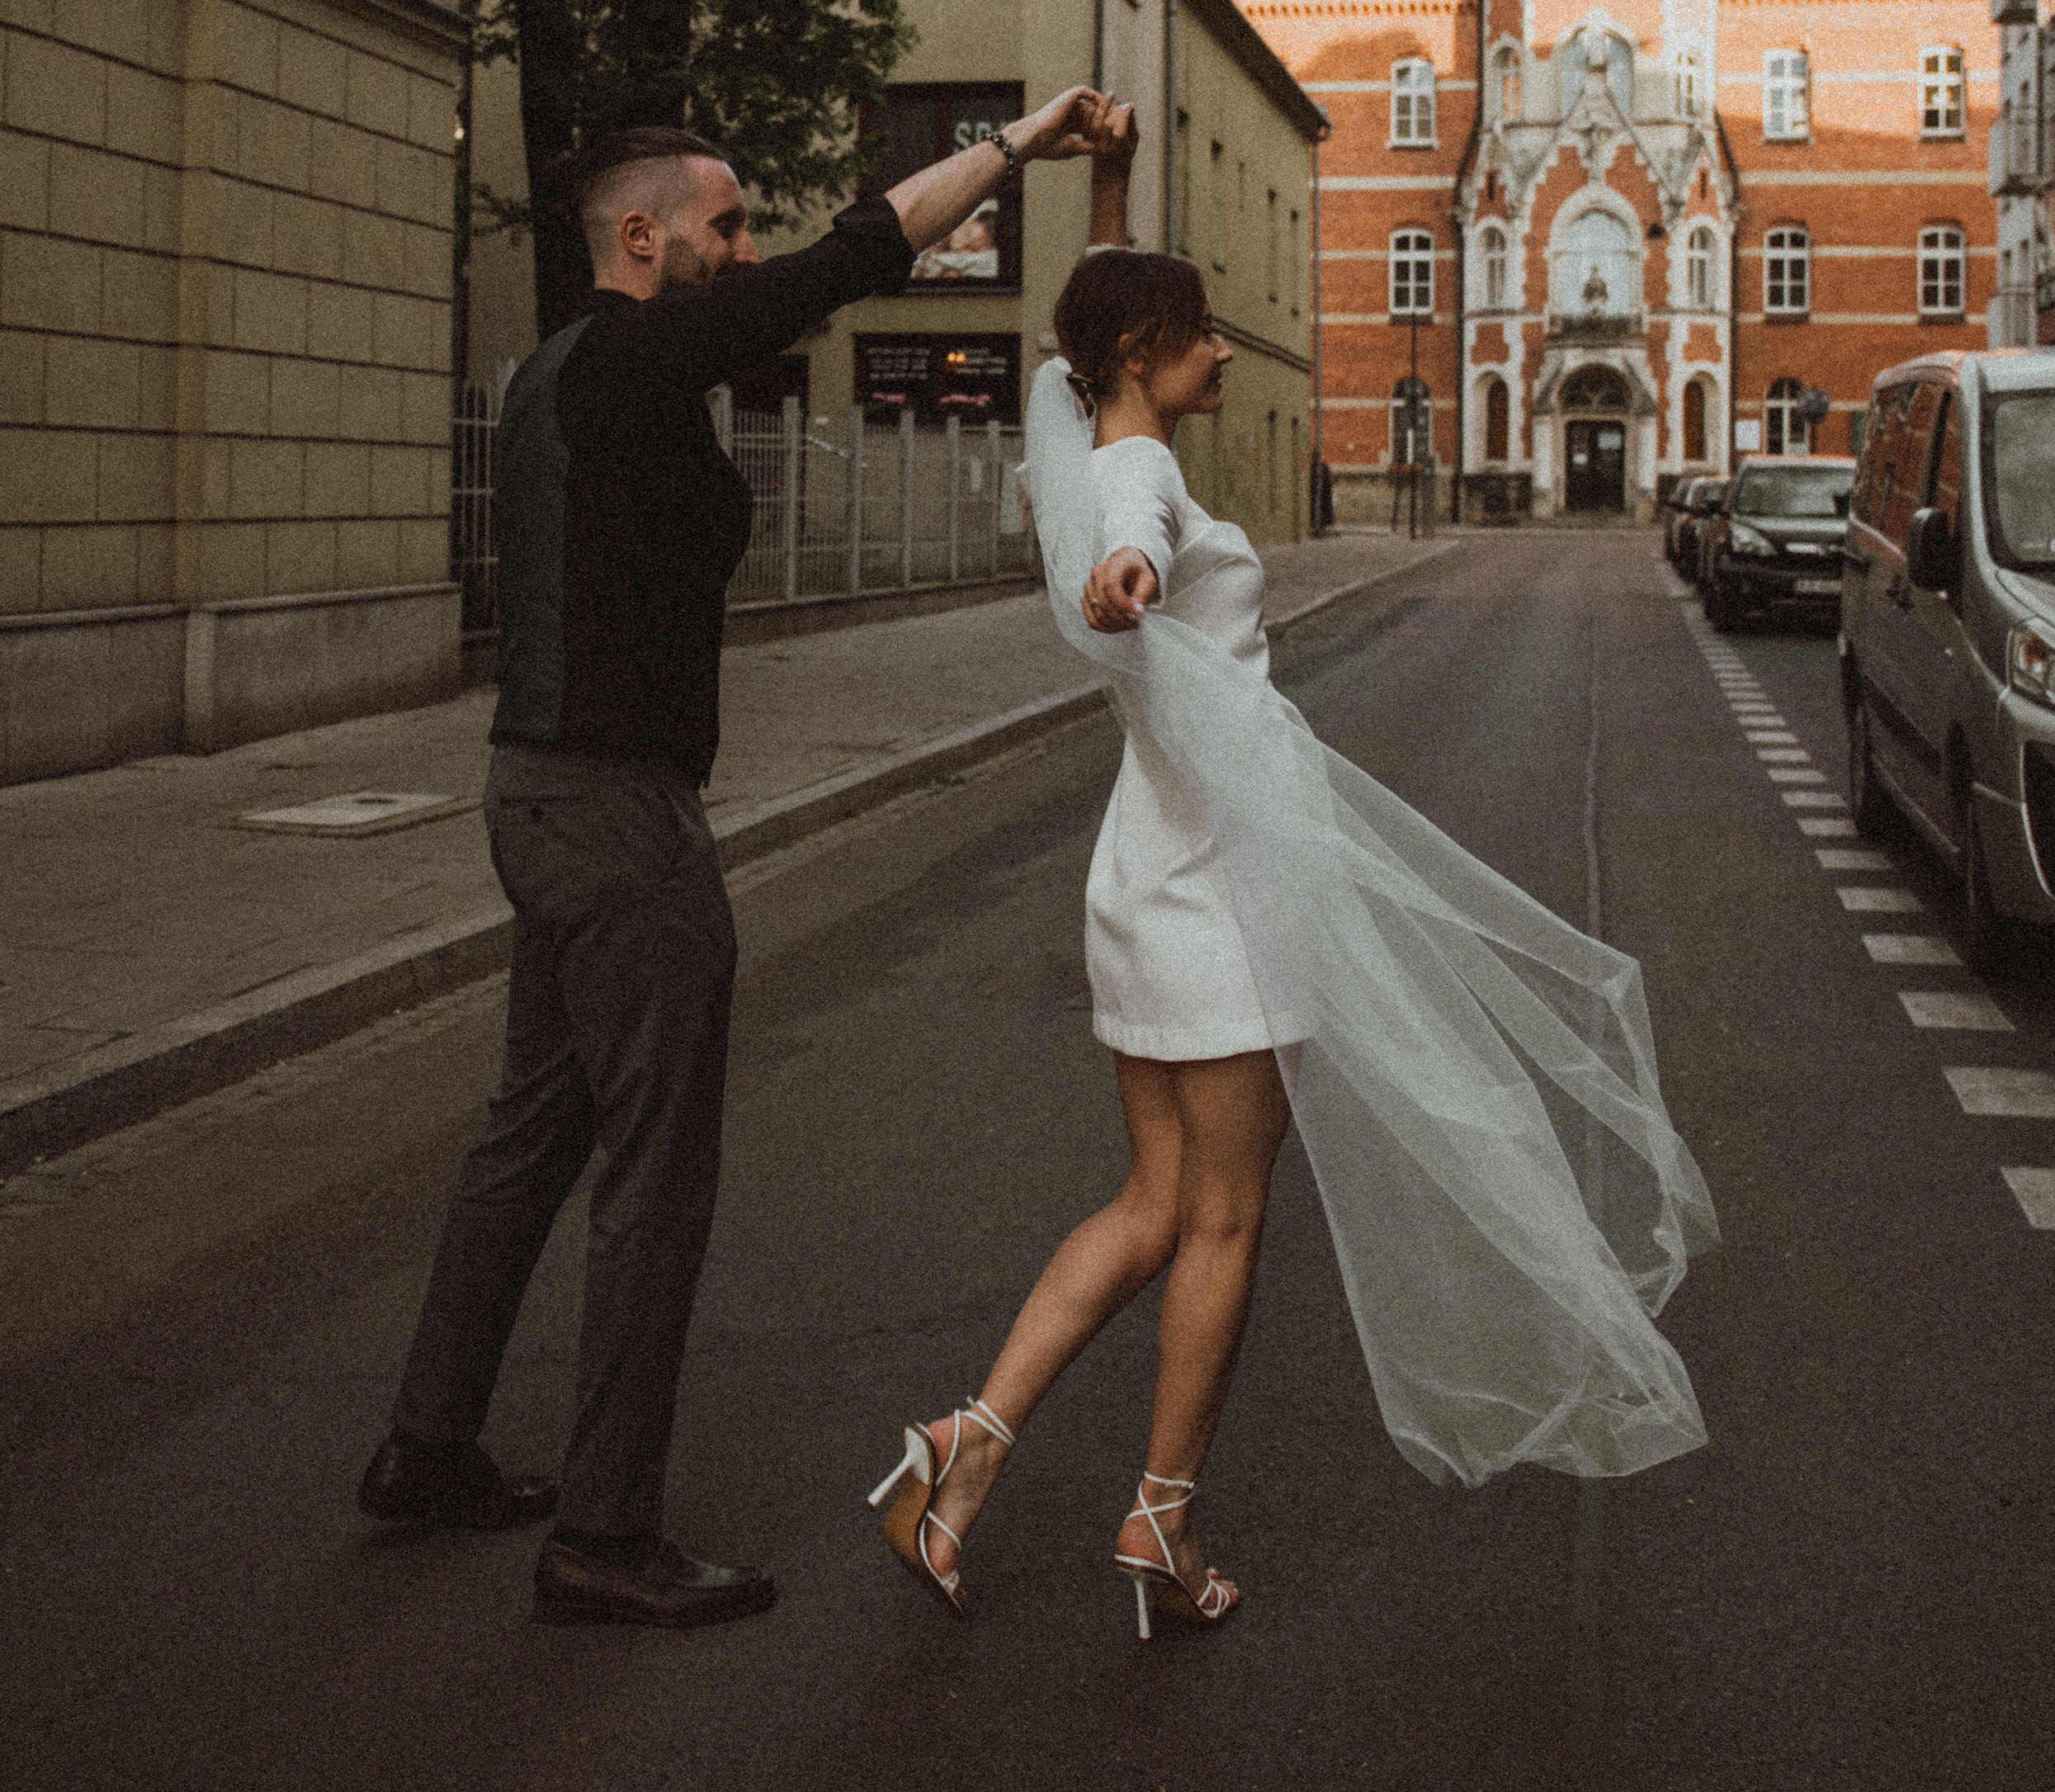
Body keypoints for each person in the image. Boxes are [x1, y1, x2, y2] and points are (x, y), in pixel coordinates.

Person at [869, 110, 1717, 1640]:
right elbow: (1127, 535)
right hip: (1221, 893)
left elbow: (1091, 358)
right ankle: (1161, 1528)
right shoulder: (1124, 485)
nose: (1227, 356)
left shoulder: (1068, 427)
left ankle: (960, 1447)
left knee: (1150, 1200)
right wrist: (1124, 578)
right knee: (1227, 1220)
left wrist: (1107, 180)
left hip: (1146, 869)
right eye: (1201, 338)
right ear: (1144, 350)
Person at [359, 87, 1106, 1629]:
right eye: (722, 226)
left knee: (534, 1133)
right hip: (620, 822)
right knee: (658, 1173)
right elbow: (852, 255)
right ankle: (605, 1534)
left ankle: (428, 1447)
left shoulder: (554, 378)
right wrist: (1019, 146)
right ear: (641, 240)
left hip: (539, 791)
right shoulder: (636, 352)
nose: (742, 249)